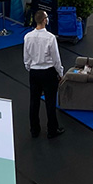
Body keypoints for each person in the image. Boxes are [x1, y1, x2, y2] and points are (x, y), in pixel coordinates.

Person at [23, 10, 63, 139]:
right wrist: (60, 72)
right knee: (50, 102)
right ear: (45, 20)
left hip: (34, 72)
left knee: (34, 102)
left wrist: (30, 68)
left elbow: (26, 58)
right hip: (48, 72)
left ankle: (34, 130)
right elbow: (56, 59)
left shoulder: (27, 37)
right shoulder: (50, 38)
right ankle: (52, 130)